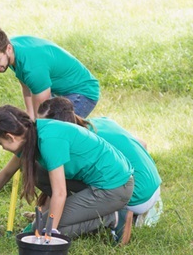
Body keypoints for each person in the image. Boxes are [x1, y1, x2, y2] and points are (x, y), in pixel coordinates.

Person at [0, 105, 135, 246]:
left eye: (0, 143)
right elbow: (6, 173)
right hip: (94, 181)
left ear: (9, 136)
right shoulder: (31, 134)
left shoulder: (49, 141)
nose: (2, 147)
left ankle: (109, 218)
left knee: (37, 231)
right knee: (31, 169)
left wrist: (50, 232)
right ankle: (81, 210)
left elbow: (59, 192)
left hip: (114, 187)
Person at [37, 96, 163, 226]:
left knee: (49, 174)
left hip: (133, 197)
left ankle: (112, 216)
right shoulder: (101, 122)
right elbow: (143, 144)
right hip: (154, 188)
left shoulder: (81, 144)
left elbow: (58, 182)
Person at [0, 25, 99, 119]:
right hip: (59, 91)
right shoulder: (11, 52)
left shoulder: (33, 68)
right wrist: (30, 114)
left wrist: (35, 124)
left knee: (54, 132)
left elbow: (42, 115)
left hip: (82, 92)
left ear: (8, 49)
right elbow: (26, 84)